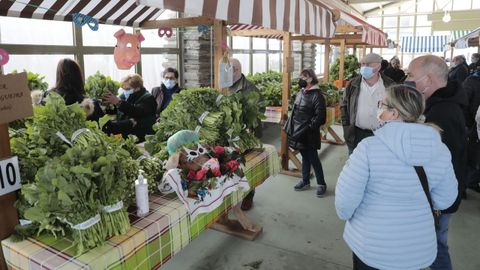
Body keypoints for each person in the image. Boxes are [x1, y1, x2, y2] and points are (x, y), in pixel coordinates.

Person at [335, 84, 458, 270]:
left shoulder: (368, 148)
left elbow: (345, 203)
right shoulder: (439, 149)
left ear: (394, 114)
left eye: (382, 104)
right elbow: (446, 199)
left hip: (372, 245)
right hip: (417, 246)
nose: (379, 109)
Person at [406, 55, 467, 270]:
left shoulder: (443, 113)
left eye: (411, 75)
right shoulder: (439, 104)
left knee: (436, 247)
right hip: (439, 198)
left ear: (428, 80)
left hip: (439, 201)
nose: (408, 79)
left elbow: (439, 168)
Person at [228, 58, 265, 210]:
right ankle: (232, 195)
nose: (225, 74)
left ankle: (249, 195)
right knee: (232, 164)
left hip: (248, 134)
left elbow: (261, 108)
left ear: (236, 70)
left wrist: (245, 121)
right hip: (231, 133)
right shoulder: (225, 85)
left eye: (227, 70)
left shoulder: (250, 88)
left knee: (247, 165)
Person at [341, 53, 395, 154]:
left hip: (382, 134)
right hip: (356, 134)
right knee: (355, 164)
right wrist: (346, 126)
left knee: (378, 162)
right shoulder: (352, 84)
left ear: (378, 66)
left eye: (368, 64)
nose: (364, 67)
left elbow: (396, 108)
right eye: (362, 64)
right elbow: (344, 106)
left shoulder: (389, 85)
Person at [285, 69, 327, 197]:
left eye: (303, 77)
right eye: (300, 77)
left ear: (310, 79)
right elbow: (296, 110)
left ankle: (321, 184)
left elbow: (320, 117)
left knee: (313, 158)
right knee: (305, 157)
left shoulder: (317, 95)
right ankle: (305, 181)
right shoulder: (301, 93)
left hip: (309, 134)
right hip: (298, 132)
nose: (300, 79)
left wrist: (308, 128)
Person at [102, 74, 157, 142]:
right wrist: (107, 106)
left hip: (141, 135)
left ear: (138, 87)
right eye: (123, 89)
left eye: (128, 89)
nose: (125, 91)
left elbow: (137, 111)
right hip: (125, 134)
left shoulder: (148, 98)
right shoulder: (123, 96)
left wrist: (119, 103)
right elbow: (117, 111)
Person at [463, 61, 480, 192]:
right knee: (471, 156)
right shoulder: (472, 80)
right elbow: (465, 103)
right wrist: (468, 123)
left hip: (473, 123)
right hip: (472, 125)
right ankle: (468, 183)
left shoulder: (471, 80)